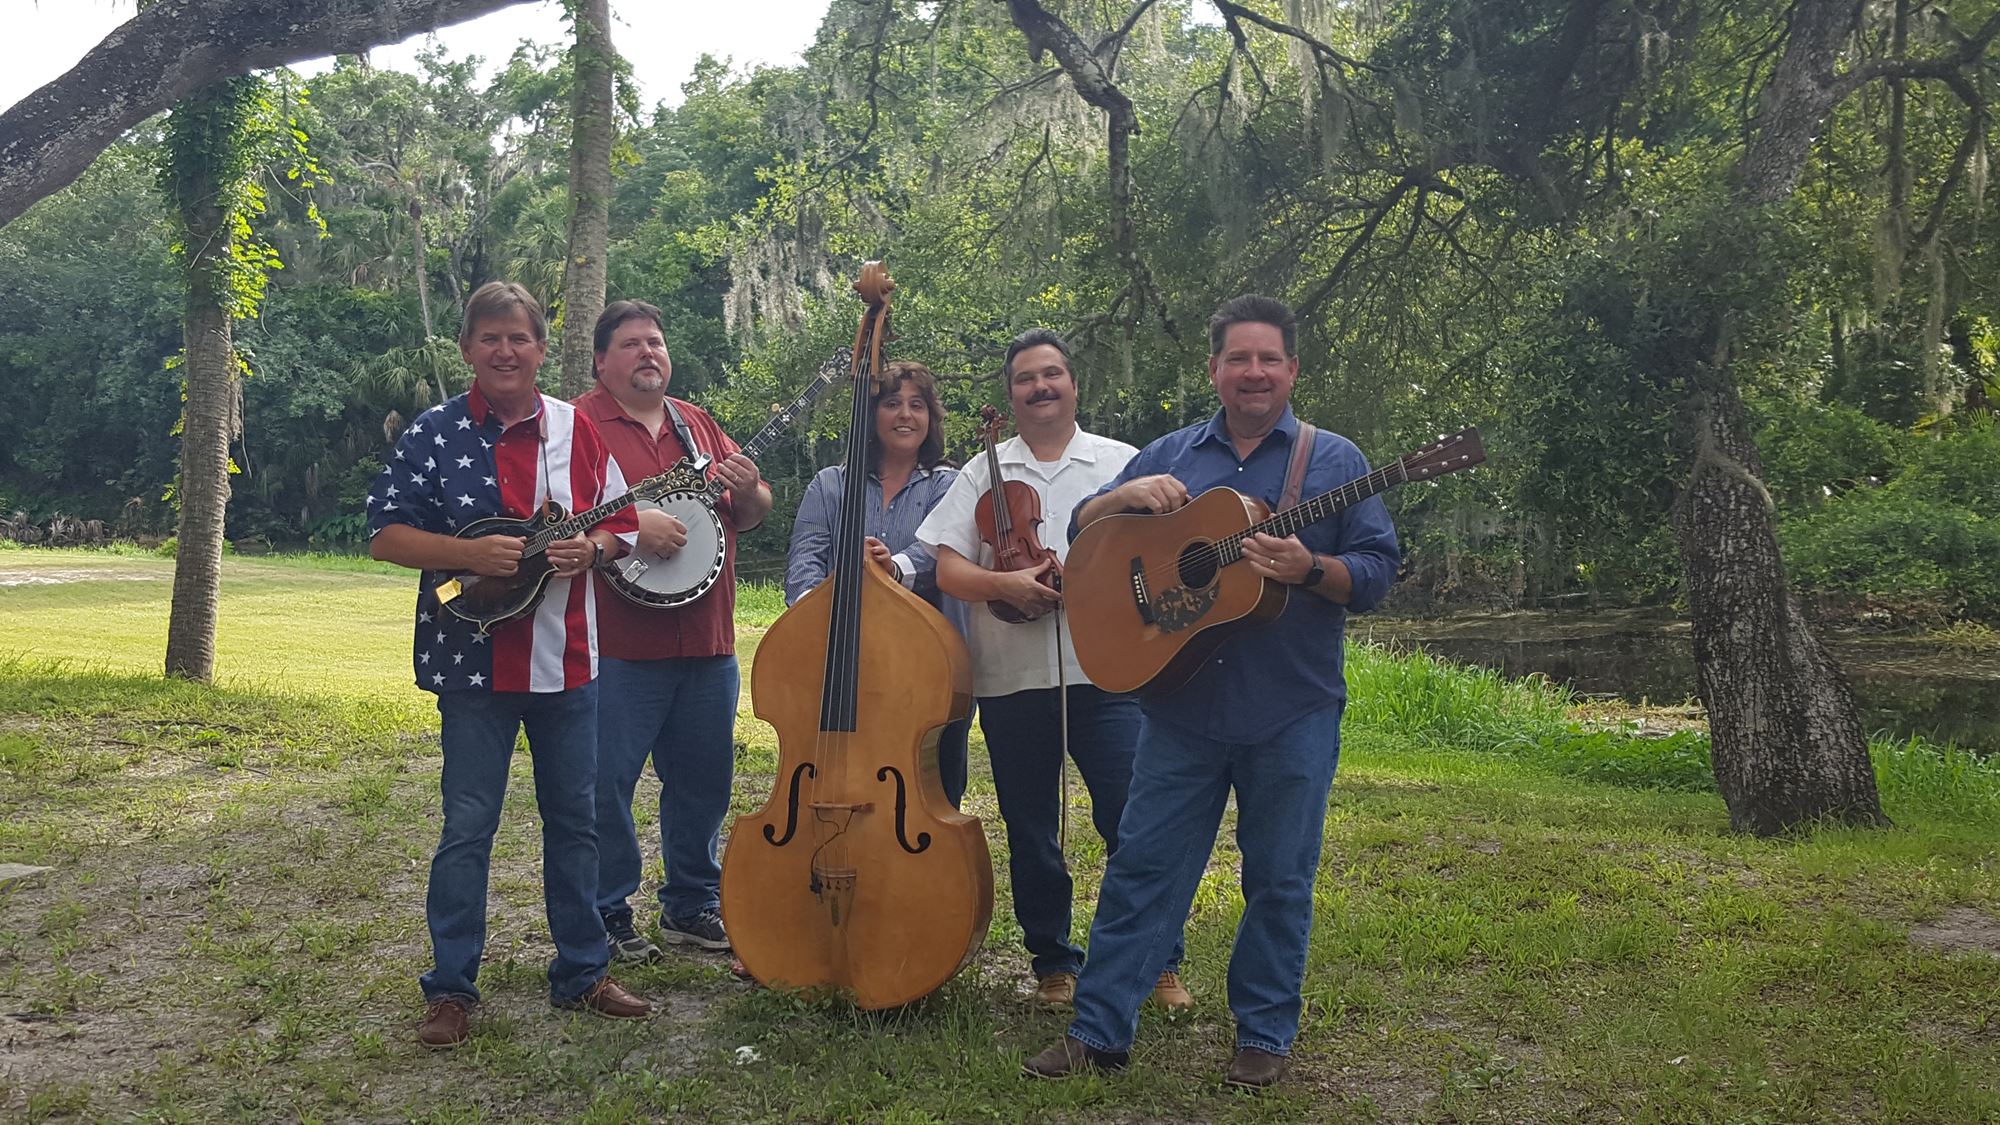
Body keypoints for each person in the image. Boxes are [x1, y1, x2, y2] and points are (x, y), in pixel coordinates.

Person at [1023, 295, 1401, 1088]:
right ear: (1215, 369)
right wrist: (1120, 499)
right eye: (1238, 358)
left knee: (1279, 875)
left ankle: (1263, 1033)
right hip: (1179, 708)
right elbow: (1084, 535)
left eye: (1268, 358)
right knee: (1143, 869)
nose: (1253, 372)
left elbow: (1375, 571)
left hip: (1291, 707)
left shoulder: (1332, 462)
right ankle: (1099, 1030)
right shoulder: (1171, 454)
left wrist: (1312, 570)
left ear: (1292, 369)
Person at [366, 281, 653, 1050]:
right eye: (489, 337)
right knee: (467, 827)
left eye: (518, 337)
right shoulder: (435, 433)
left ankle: (583, 971)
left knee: (577, 824)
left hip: (569, 665)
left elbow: (622, 524)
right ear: (466, 348)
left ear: (539, 347)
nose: (504, 350)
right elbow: (384, 533)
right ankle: (452, 988)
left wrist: (588, 548)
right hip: (471, 664)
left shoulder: (576, 428)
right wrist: (464, 553)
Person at [915, 329, 1191, 1011]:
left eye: (1052, 375)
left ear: (1073, 385)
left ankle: (1156, 960)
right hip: (1011, 676)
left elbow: (1157, 564)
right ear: (1009, 395)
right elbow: (948, 565)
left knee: (1131, 817)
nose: (1040, 386)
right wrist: (1004, 586)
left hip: (1112, 675)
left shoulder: (1122, 462)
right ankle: (1053, 962)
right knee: (1032, 827)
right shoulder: (985, 468)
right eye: (1025, 378)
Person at [574, 300, 772, 964]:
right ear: (603, 361)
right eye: (630, 344)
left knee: (704, 780)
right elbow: (557, 518)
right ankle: (606, 909)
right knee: (607, 782)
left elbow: (752, 508)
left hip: (708, 641)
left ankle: (691, 904)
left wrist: (750, 490)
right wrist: (633, 525)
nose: (646, 353)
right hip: (621, 644)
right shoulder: (578, 424)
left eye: (655, 342)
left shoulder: (697, 424)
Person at [784, 359, 974, 807]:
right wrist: (819, 620)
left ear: (931, 417)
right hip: (840, 665)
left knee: (934, 793)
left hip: (927, 668)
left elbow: (943, 553)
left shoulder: (949, 484)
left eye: (917, 404)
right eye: (891, 403)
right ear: (869, 417)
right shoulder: (831, 485)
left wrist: (893, 570)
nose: (905, 414)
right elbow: (805, 562)